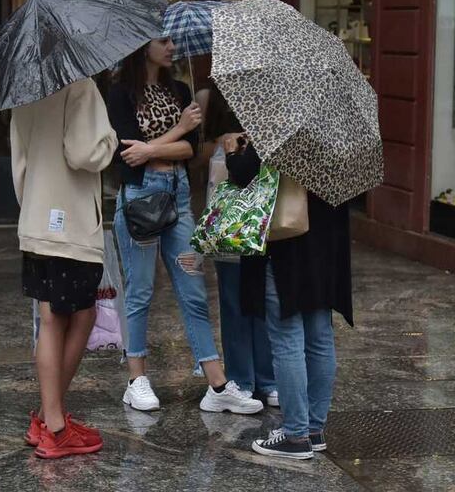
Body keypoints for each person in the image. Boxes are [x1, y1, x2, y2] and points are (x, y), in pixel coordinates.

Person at [107, 37, 263, 416]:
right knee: (140, 291)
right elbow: (129, 155)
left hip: (178, 197)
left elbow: (190, 151)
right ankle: (136, 380)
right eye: (163, 40)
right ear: (141, 45)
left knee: (192, 288)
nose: (172, 46)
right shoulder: (119, 93)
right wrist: (176, 132)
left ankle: (217, 384)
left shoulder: (179, 89)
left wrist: (155, 147)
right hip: (140, 199)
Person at [225, 141, 353, 461]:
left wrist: (233, 153)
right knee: (320, 334)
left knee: (287, 336)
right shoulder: (334, 130)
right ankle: (312, 429)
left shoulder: (281, 122)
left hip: (286, 245)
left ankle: (295, 436)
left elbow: (245, 174)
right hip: (324, 246)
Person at [10, 77, 117, 459]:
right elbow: (85, 154)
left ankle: (46, 417)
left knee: (51, 316)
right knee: (79, 315)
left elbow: (19, 163)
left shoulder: (24, 89)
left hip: (37, 219)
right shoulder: (79, 85)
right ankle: (54, 424)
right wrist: (110, 138)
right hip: (70, 221)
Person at [196, 83, 278, 408]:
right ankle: (252, 380)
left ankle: (254, 380)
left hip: (247, 220)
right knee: (242, 300)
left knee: (248, 301)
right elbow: (201, 156)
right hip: (243, 219)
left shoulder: (257, 94)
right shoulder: (221, 94)